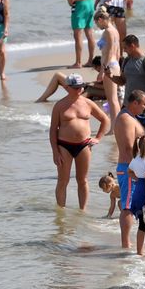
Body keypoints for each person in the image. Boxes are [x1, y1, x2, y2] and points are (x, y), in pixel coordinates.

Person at [48, 73, 110, 209]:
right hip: (64, 146)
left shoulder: (88, 103)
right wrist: (55, 151)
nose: (79, 90)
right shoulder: (60, 105)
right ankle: (61, 213)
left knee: (82, 180)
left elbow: (105, 120)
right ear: (67, 87)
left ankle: (82, 211)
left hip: (84, 145)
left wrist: (98, 138)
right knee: (63, 180)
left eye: (80, 87)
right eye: (75, 88)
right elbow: (53, 130)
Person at [112, 91, 145, 249]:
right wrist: (137, 169)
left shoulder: (131, 118)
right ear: (135, 103)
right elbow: (128, 147)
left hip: (134, 168)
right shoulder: (125, 119)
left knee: (132, 204)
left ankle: (129, 240)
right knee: (127, 206)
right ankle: (125, 243)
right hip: (129, 168)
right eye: (144, 104)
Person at [68, 0, 98, 69]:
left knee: (78, 33)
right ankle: (90, 60)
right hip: (90, 2)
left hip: (80, 4)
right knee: (89, 32)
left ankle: (78, 62)